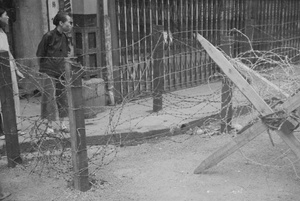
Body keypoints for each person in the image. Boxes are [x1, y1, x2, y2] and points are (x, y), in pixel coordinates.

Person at [36, 11, 73, 133]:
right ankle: (49, 126)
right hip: (48, 71)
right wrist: (42, 70)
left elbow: (66, 54)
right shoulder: (48, 36)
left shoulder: (65, 37)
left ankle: (63, 124)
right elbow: (40, 54)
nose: (71, 25)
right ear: (61, 23)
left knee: (62, 97)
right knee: (49, 98)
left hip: (61, 71)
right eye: (69, 22)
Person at [0, 6, 25, 138]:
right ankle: (3, 129)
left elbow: (8, 53)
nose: (8, 17)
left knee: (14, 96)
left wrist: (16, 69)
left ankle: (15, 126)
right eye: (5, 15)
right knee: (2, 100)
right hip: (1, 70)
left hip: (8, 67)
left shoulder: (3, 33)